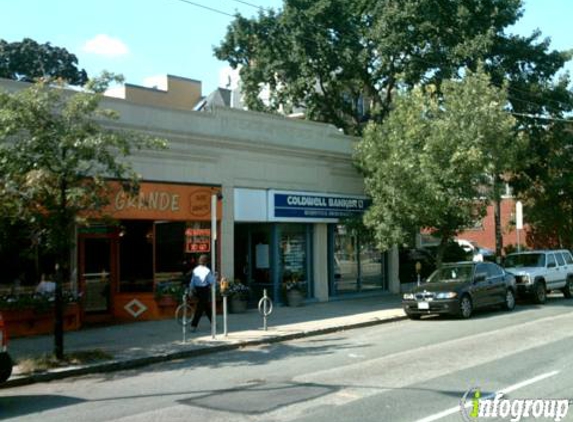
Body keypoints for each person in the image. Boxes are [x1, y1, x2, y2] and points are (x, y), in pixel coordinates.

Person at [189, 254, 215, 332]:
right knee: (200, 309)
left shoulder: (195, 269)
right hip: (204, 290)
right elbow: (211, 281)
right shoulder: (207, 270)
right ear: (206, 262)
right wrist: (215, 278)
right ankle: (193, 325)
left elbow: (192, 281)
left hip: (197, 290)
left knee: (206, 307)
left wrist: (191, 289)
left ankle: (213, 323)